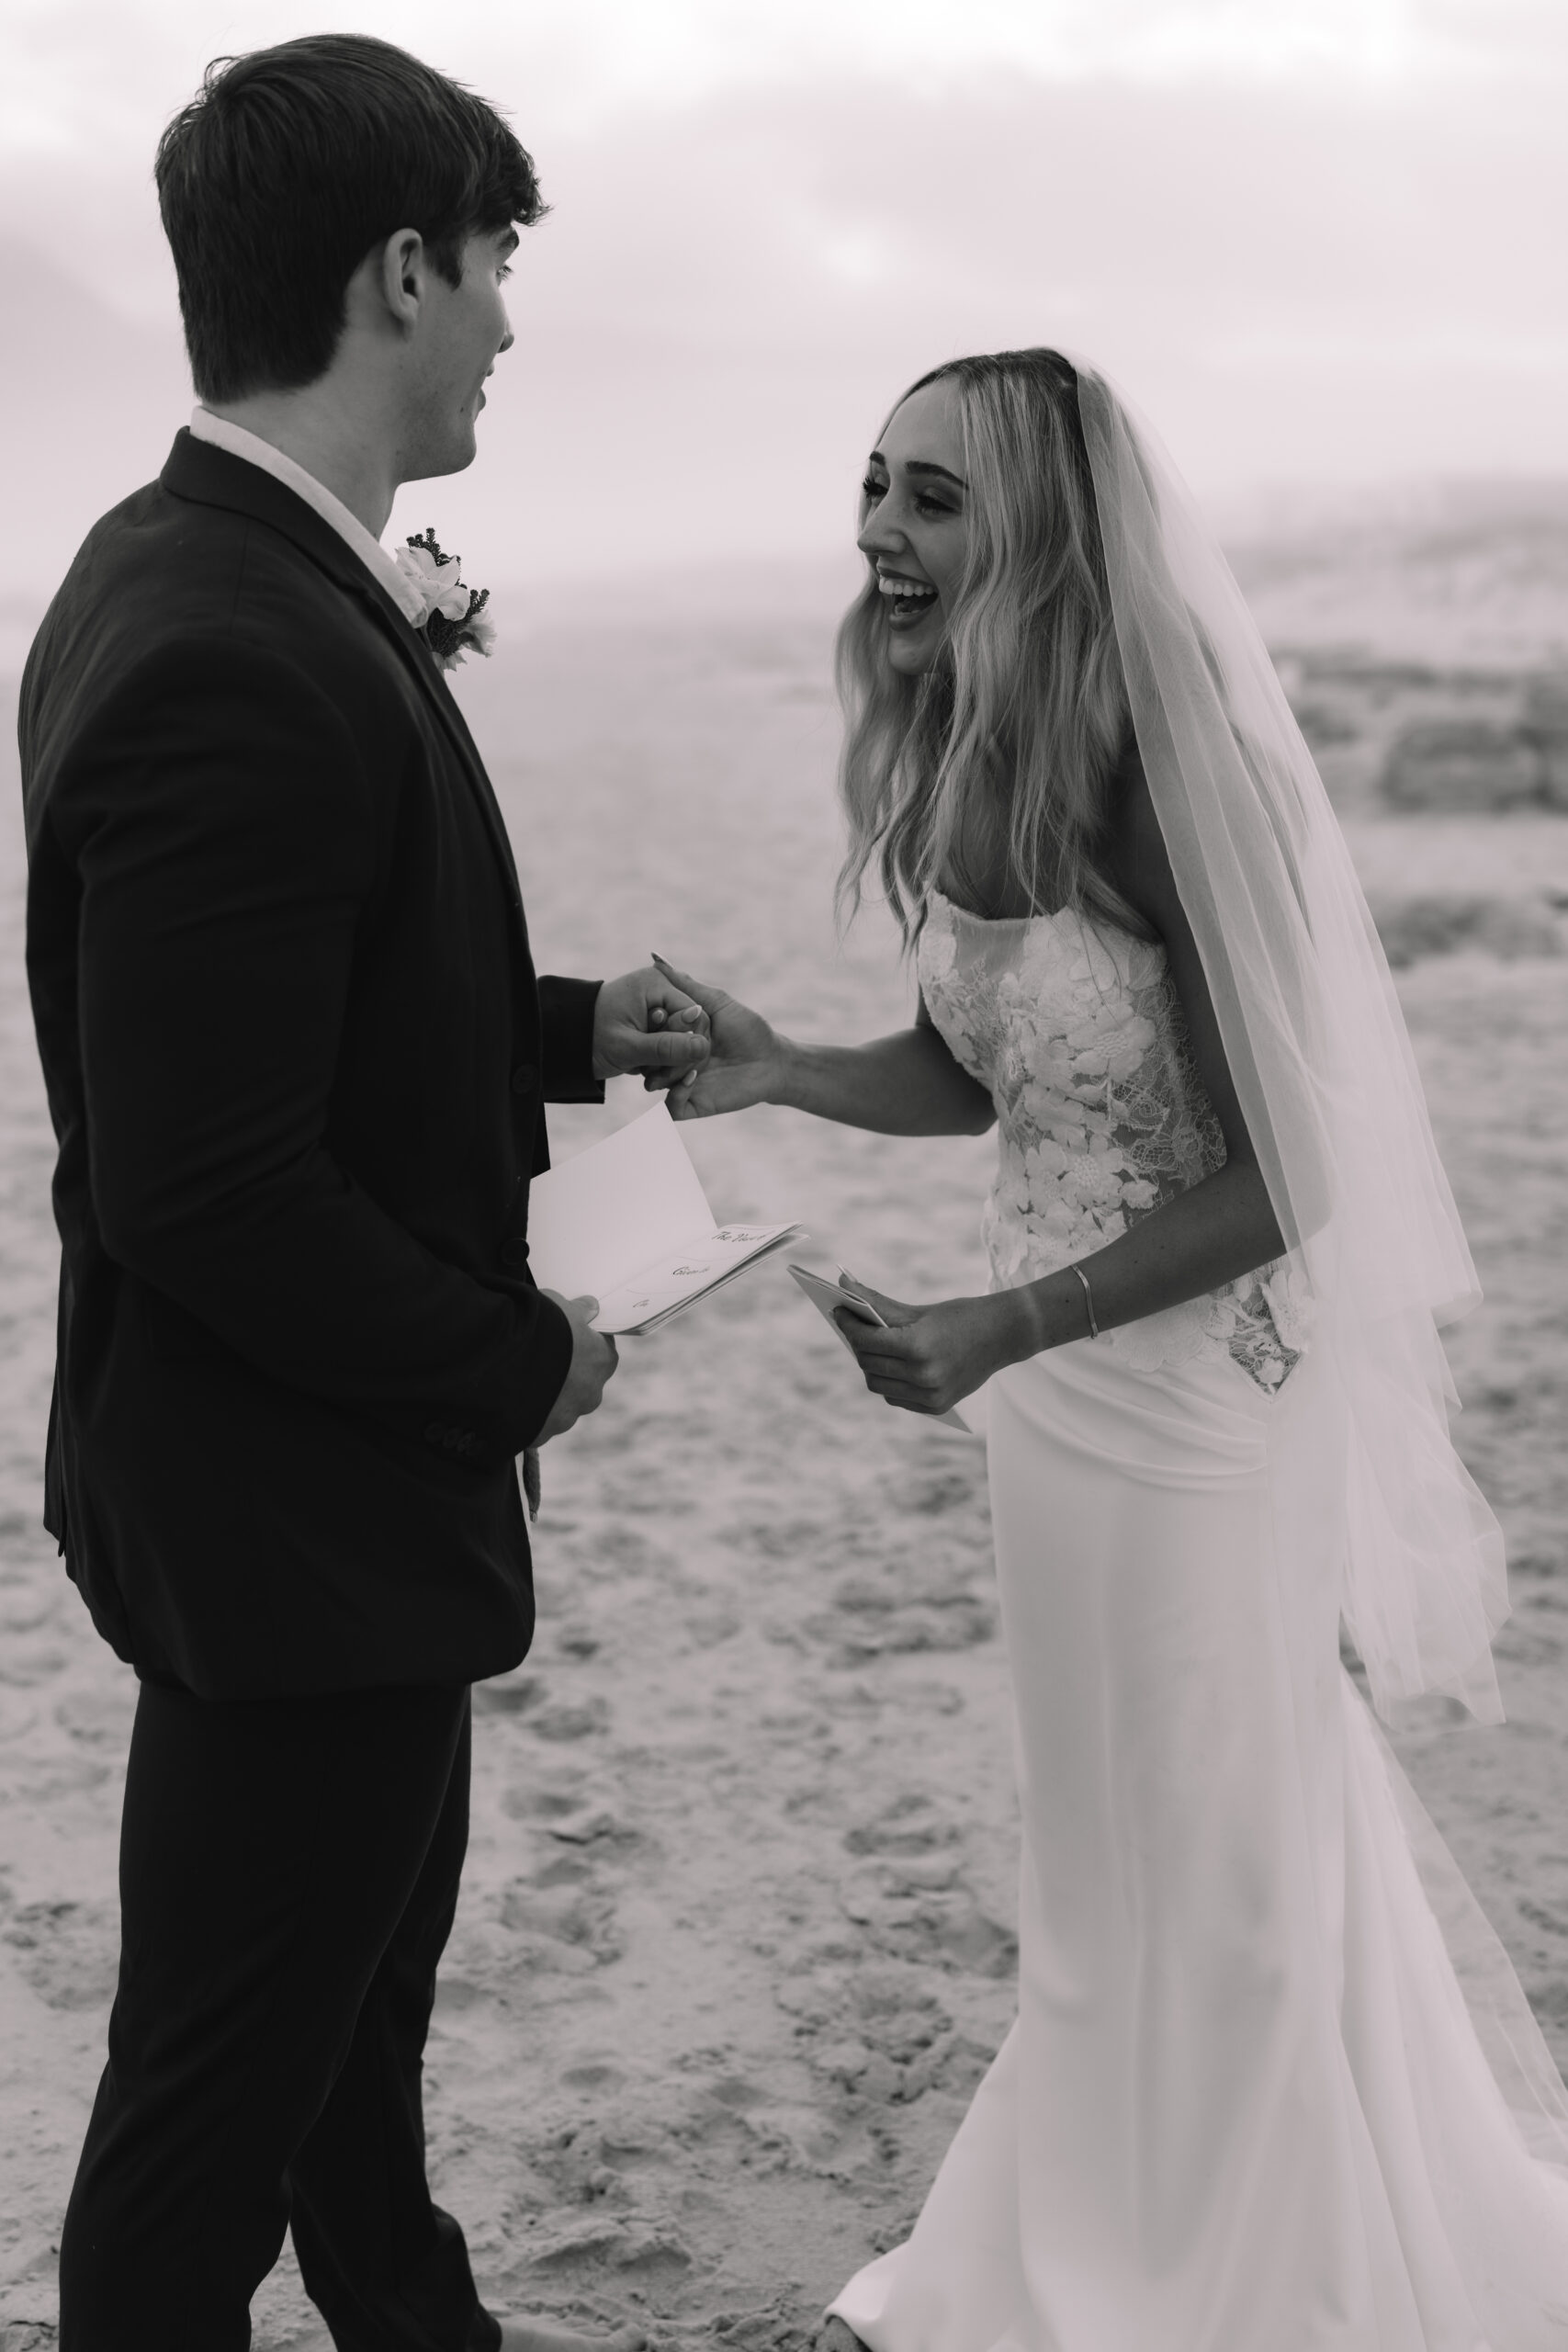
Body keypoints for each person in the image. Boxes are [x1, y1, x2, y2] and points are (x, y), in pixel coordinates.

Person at [659, 348, 1568, 2346]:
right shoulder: (970, 748)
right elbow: (998, 1072)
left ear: (1042, 530)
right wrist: (785, 1066)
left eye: (934, 499)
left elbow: (1292, 1169)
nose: (881, 535)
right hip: (1051, 1409)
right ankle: (1108, 2217)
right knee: (1099, 1845)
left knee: (1218, 1833)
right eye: (873, 487)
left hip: (1185, 1400)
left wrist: (1001, 1320)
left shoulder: (1169, 775)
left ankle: (1249, 2266)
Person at [18, 35, 706, 2352]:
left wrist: (560, 1022)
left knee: (349, 2034)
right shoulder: (230, 640)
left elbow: (287, 1004)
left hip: (294, 1508)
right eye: (497, 262)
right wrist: (519, 1357)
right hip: (290, 1511)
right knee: (210, 2114)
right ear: (398, 269)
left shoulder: (197, 566)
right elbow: (208, 1175)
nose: (510, 318)